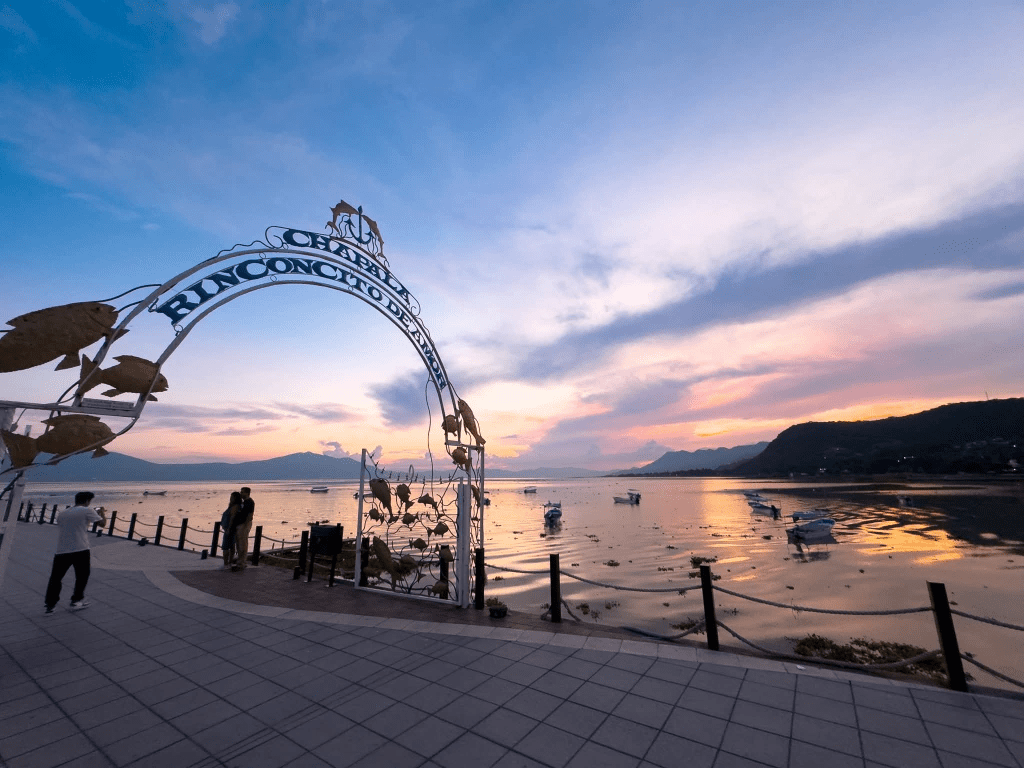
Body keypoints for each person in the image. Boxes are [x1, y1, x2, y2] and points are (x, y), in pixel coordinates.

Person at [44, 491, 106, 614]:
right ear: (88, 501)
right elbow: (102, 524)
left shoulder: (63, 513)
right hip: (80, 549)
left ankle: (50, 606)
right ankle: (76, 600)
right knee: (82, 576)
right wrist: (101, 512)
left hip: (61, 550)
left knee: (56, 578)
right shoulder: (86, 510)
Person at [232, 486, 254, 572]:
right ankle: (240, 561)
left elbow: (250, 515)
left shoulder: (249, 502)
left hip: (244, 525)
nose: (241, 494)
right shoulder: (244, 502)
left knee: (243, 544)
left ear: (247, 493)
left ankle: (242, 562)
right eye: (241, 492)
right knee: (239, 543)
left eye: (242, 492)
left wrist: (245, 525)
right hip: (240, 524)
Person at [220, 491, 242, 570]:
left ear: (235, 498)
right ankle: (230, 562)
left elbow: (232, 518)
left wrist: (229, 528)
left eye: (232, 497)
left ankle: (226, 563)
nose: (230, 498)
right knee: (232, 546)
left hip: (230, 529)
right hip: (231, 529)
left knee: (226, 547)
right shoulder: (233, 506)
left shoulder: (235, 506)